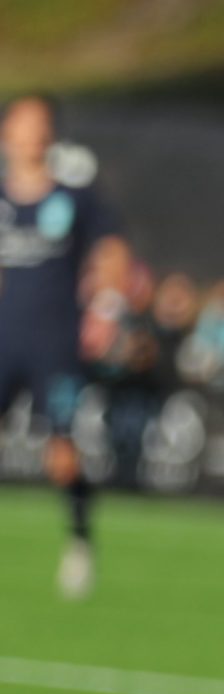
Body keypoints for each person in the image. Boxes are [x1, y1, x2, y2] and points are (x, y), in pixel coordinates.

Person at [0, 95, 111, 599]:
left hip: (55, 342)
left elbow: (113, 250)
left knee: (61, 454)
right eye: (23, 126)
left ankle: (80, 542)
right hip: (4, 338)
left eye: (41, 126)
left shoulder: (74, 199)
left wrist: (106, 310)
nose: (32, 135)